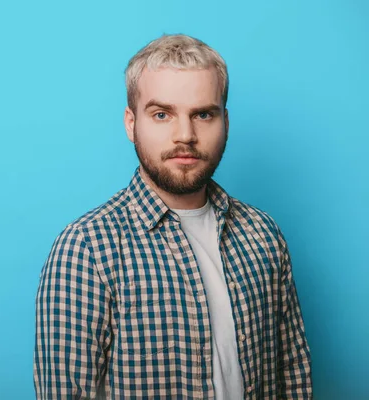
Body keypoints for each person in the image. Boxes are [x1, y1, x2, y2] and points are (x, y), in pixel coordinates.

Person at [33, 34, 312, 399]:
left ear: (225, 122)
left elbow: (293, 377)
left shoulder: (263, 235)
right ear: (131, 123)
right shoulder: (87, 249)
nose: (186, 135)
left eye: (203, 114)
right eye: (162, 114)